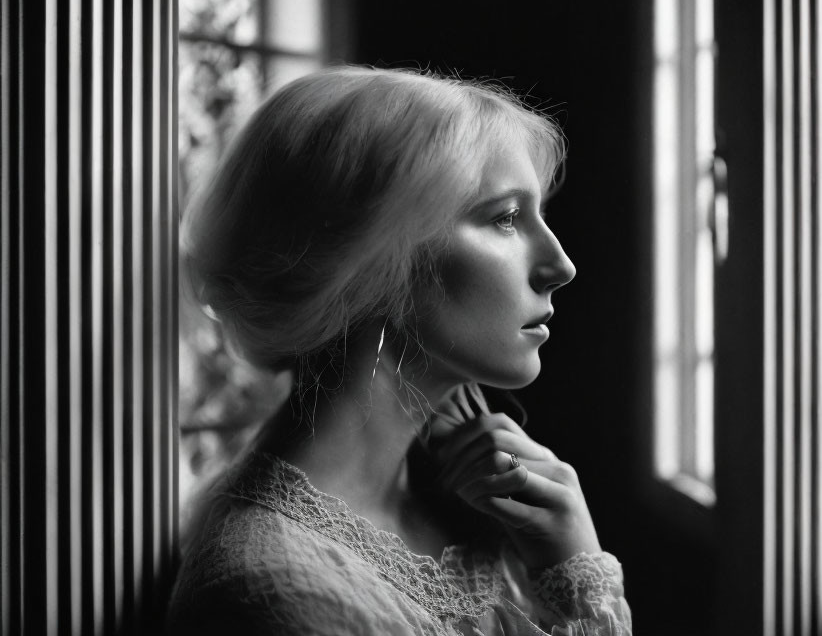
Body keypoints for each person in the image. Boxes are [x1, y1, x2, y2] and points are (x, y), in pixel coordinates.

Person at [167, 65, 632, 636]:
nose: (561, 266)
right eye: (506, 218)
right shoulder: (279, 591)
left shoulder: (476, 501)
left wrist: (567, 559)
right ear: (370, 262)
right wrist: (579, 585)